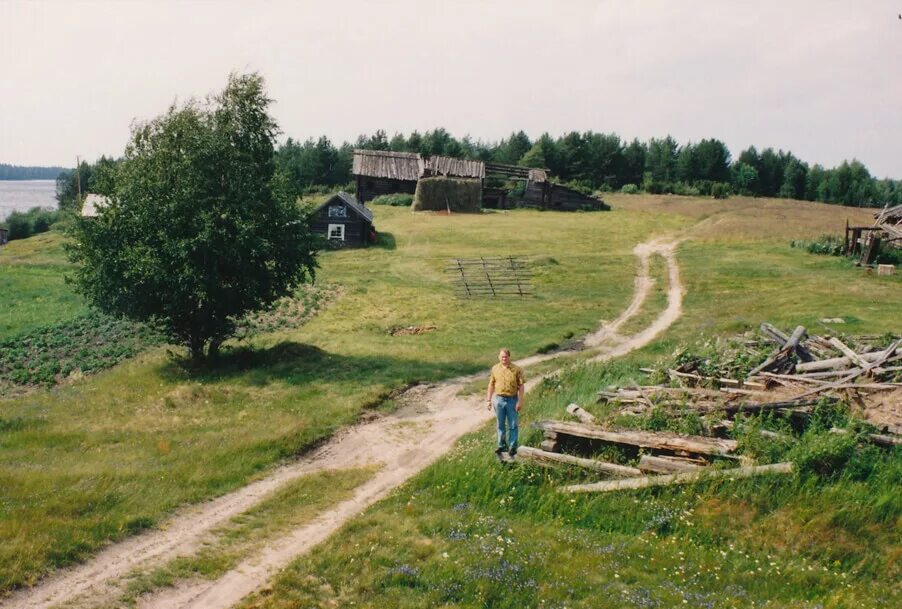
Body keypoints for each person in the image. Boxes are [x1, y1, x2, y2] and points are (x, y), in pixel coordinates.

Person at [486, 348, 525, 457]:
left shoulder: (516, 369)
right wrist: (488, 400)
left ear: (509, 357)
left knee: (513, 424)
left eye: (506, 357)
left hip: (512, 400)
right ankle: (501, 446)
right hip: (498, 400)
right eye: (502, 357)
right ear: (499, 357)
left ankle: (513, 447)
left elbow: (521, 386)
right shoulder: (495, 369)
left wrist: (520, 401)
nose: (504, 358)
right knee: (500, 424)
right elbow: (491, 385)